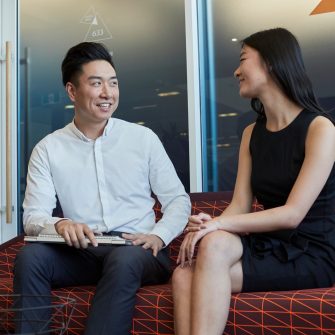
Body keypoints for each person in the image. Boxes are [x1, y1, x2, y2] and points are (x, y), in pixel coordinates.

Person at [14, 42, 191, 335]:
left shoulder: (142, 139)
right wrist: (60, 225)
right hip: (83, 250)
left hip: (138, 249)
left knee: (125, 259)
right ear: (72, 91)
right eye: (96, 84)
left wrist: (158, 236)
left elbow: (178, 201)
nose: (108, 93)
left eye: (113, 83)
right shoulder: (49, 149)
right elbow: (33, 217)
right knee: (30, 258)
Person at [172, 27, 335, 335]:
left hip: (313, 252)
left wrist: (218, 227)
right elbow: (239, 206)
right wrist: (213, 221)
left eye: (243, 59)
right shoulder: (251, 135)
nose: (236, 71)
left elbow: (292, 214)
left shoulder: (320, 128)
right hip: (272, 246)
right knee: (183, 273)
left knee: (216, 242)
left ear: (271, 63)